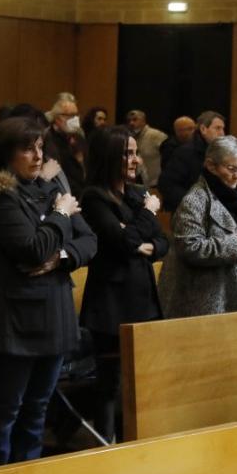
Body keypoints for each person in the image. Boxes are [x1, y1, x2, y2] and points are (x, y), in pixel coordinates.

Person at [0, 117, 97, 466]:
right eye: (27, 149)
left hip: (52, 316)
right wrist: (61, 216)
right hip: (12, 324)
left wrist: (63, 256)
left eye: (39, 147)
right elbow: (32, 249)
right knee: (5, 413)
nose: (37, 156)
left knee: (38, 411)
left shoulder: (48, 191)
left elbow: (90, 240)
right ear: (6, 154)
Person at [79, 126, 168, 443]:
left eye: (135, 152)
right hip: (111, 302)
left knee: (142, 378)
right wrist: (146, 215)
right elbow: (122, 242)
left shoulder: (135, 192)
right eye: (127, 153)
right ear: (109, 156)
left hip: (143, 297)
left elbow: (162, 241)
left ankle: (137, 440)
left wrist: (147, 244)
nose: (136, 159)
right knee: (110, 381)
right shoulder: (93, 197)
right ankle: (105, 442)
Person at [159, 135, 237, 317]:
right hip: (206, 303)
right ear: (211, 166)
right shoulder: (194, 201)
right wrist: (234, 244)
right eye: (231, 168)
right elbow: (189, 247)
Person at [159, 110, 226, 212]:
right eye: (217, 128)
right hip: (189, 213)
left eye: (223, 129)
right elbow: (167, 185)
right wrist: (195, 203)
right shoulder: (184, 153)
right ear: (203, 129)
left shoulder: (221, 153)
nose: (222, 133)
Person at [45, 93, 85, 190]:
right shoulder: (47, 137)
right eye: (70, 115)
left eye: (76, 115)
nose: (75, 119)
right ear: (57, 117)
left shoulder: (79, 136)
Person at [126, 110, 168, 188]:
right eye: (129, 121)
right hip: (136, 184)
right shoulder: (129, 137)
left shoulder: (156, 135)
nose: (131, 123)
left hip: (155, 184)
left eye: (135, 119)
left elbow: (169, 158)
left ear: (143, 121)